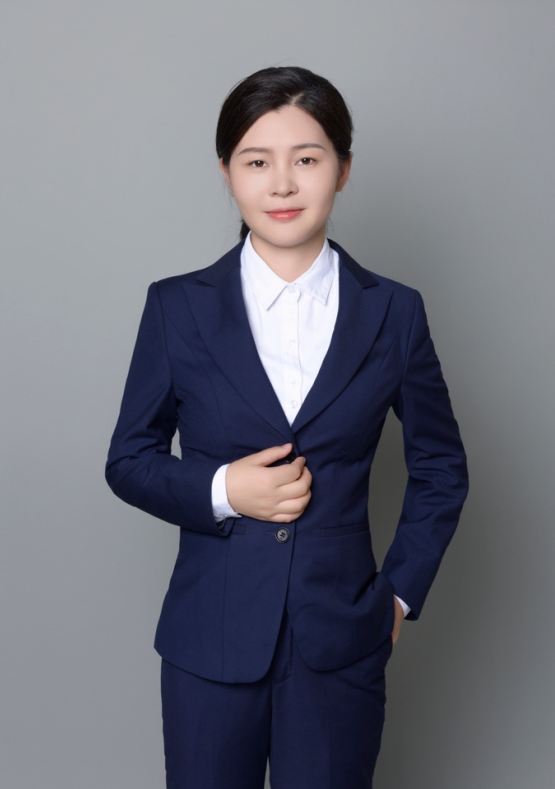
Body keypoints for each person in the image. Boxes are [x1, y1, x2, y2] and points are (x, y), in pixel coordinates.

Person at [105, 65, 469, 789]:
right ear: (226, 173)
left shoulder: (394, 312)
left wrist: (398, 595)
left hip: (341, 642)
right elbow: (129, 459)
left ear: (342, 169)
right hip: (208, 639)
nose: (281, 184)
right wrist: (223, 490)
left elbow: (441, 467)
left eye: (306, 159)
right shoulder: (176, 307)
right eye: (256, 162)